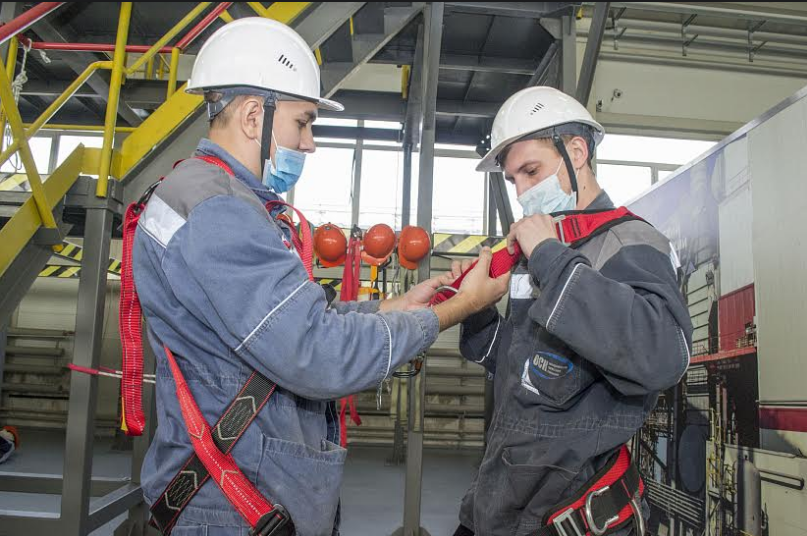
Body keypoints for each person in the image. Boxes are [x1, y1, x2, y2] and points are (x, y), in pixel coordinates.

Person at [132, 17, 508, 536]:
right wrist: (456, 309)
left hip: (233, 489)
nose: (308, 143)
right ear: (250, 116)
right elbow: (319, 353)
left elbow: (295, 320)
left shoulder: (205, 196)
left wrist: (400, 303)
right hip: (231, 502)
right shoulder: (218, 211)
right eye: (302, 122)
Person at [452, 86, 693, 536]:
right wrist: (476, 308)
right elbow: (520, 365)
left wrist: (548, 255)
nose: (523, 193)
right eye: (513, 181)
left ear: (576, 151)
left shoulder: (628, 243)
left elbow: (664, 355)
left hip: (568, 517)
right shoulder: (546, 248)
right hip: (501, 504)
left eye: (531, 171)